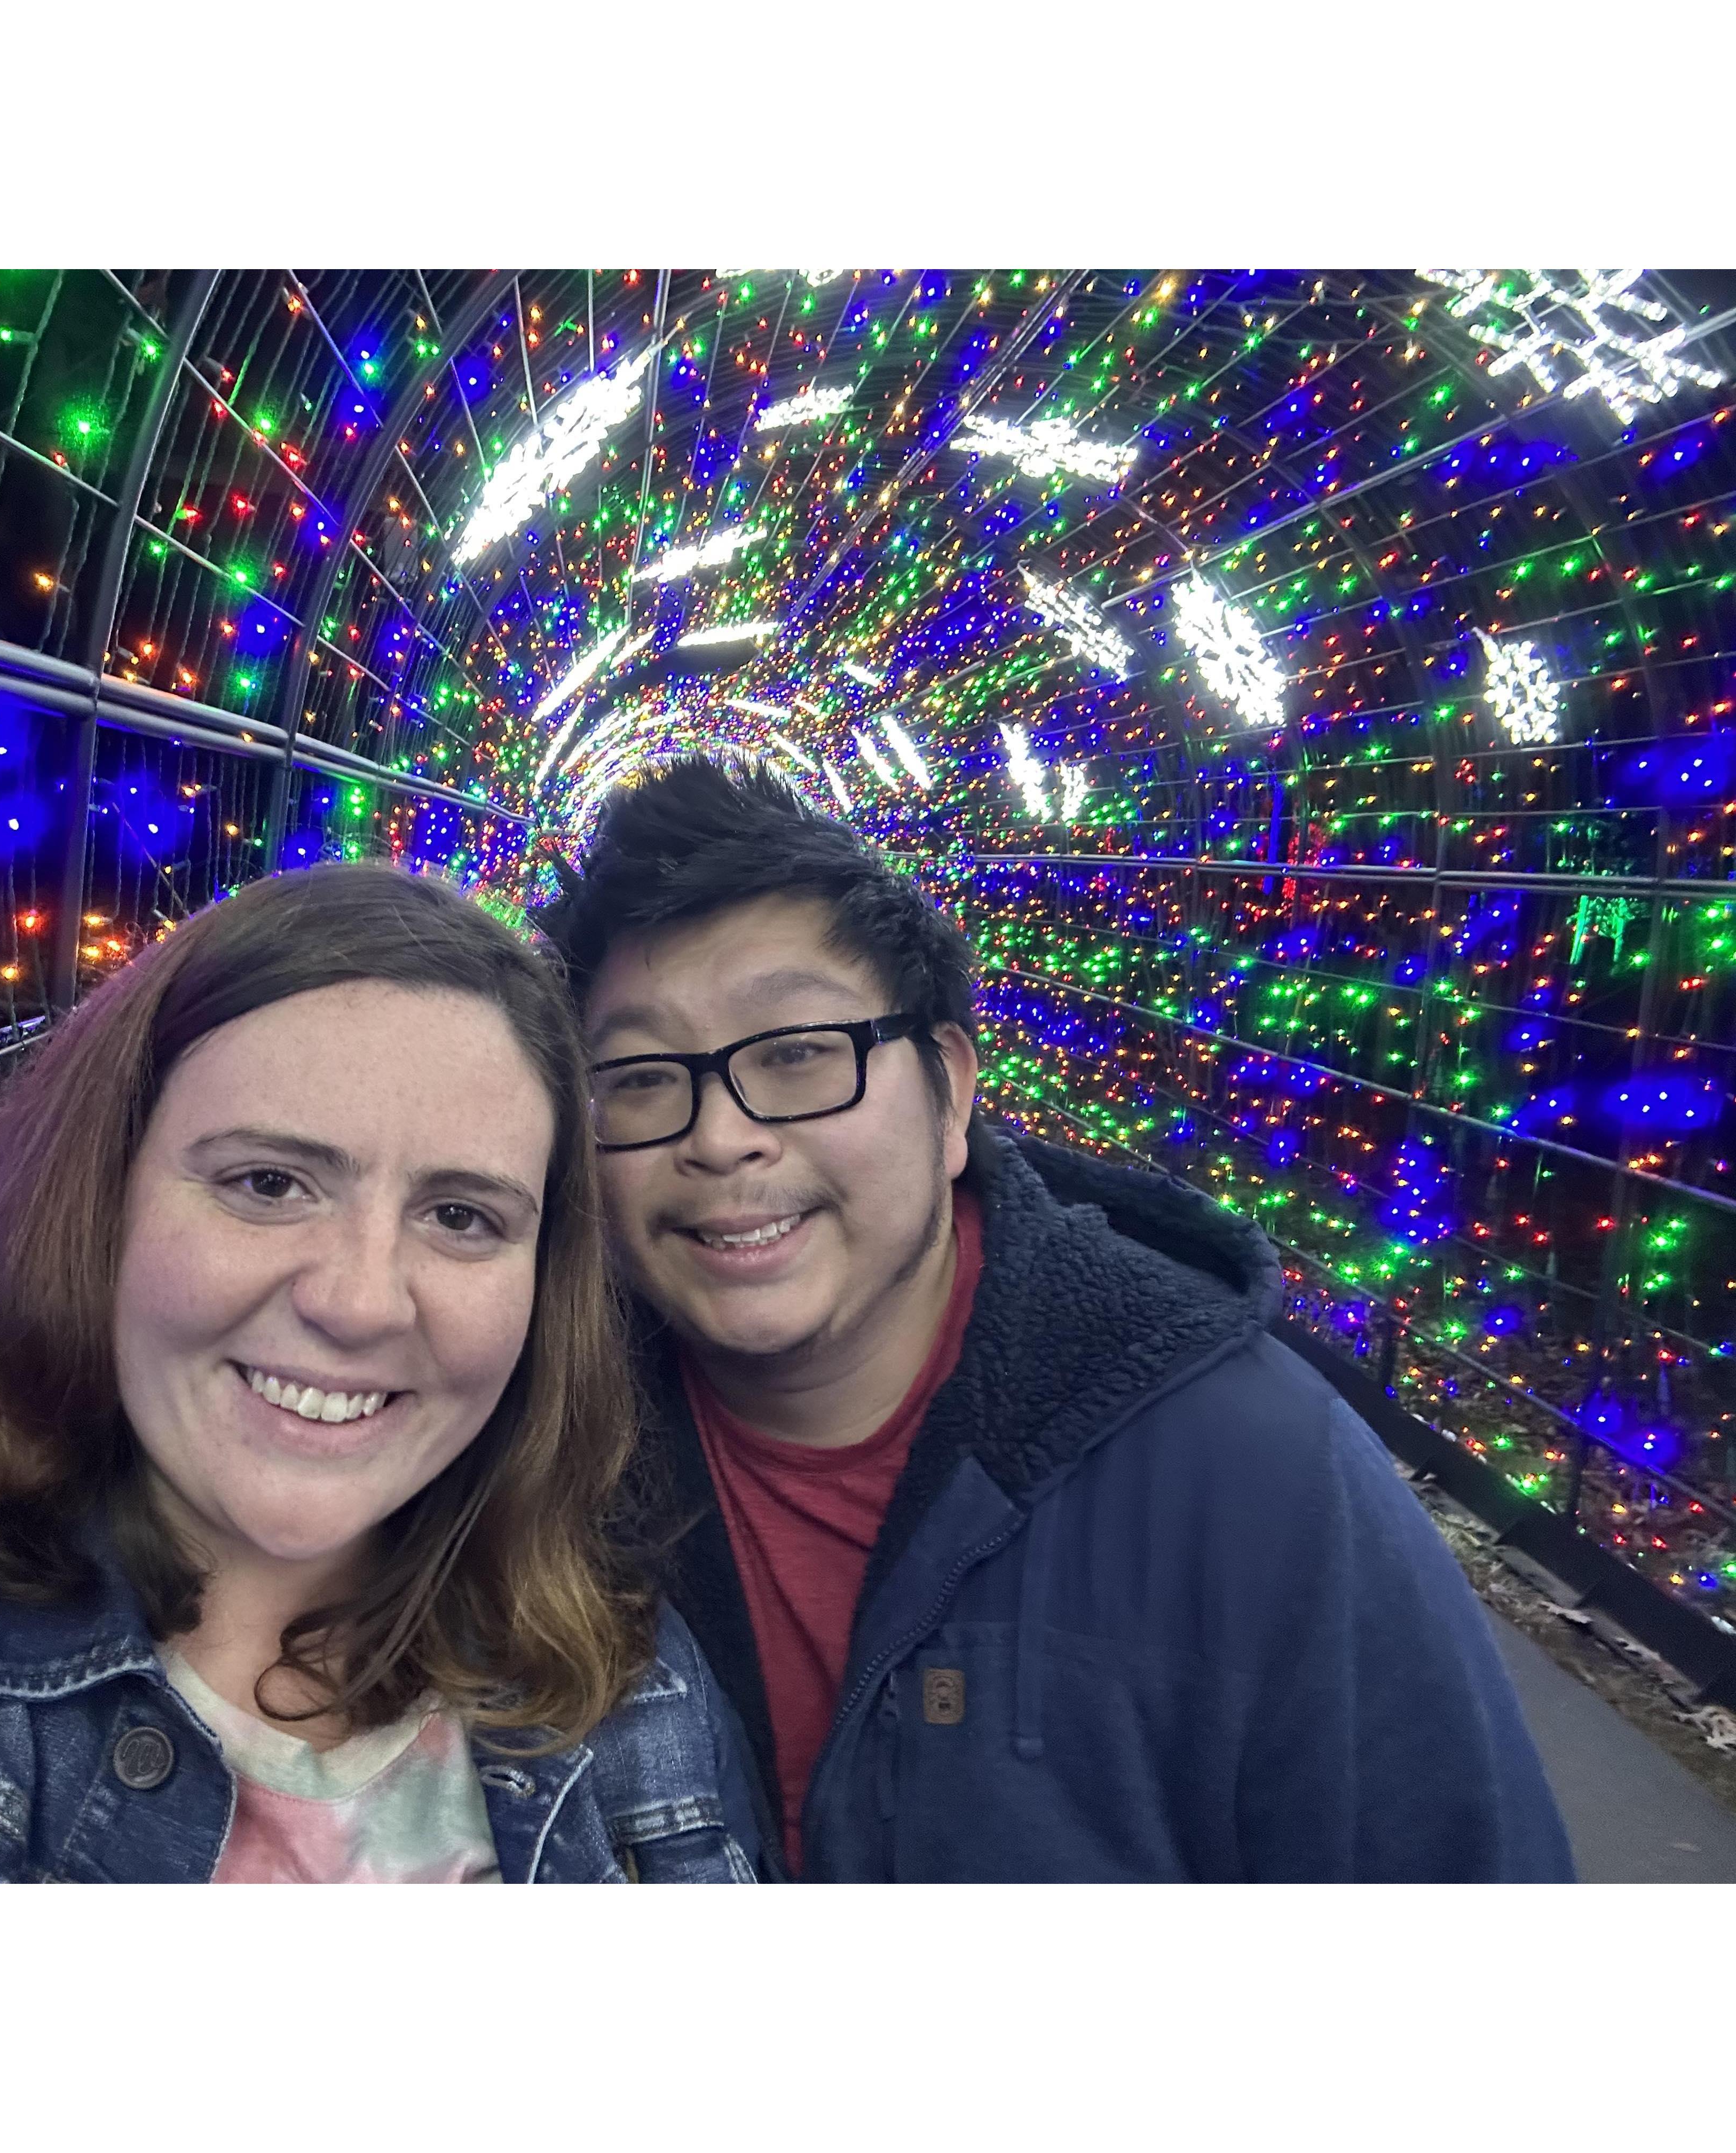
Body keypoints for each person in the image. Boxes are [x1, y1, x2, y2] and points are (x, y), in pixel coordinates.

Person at [0, 863, 762, 1884]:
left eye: (461, 1215)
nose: (357, 1301)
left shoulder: (628, 1689)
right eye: (266, 1183)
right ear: (105, 1194)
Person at [538, 756, 1575, 1883]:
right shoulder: (535, 1461)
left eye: (798, 1056)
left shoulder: (1258, 1476)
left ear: (950, 1092)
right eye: (639, 1078)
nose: (722, 1137)